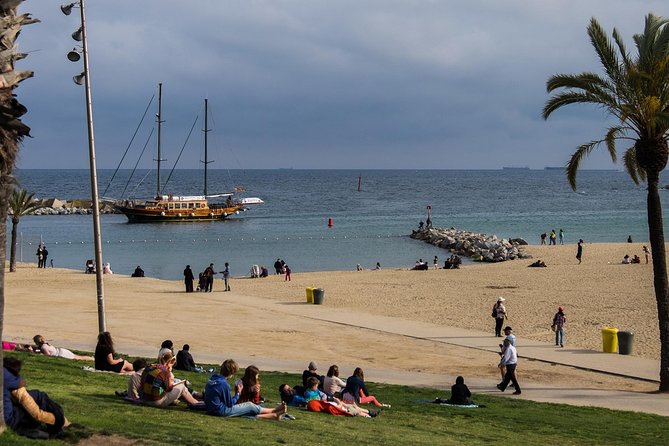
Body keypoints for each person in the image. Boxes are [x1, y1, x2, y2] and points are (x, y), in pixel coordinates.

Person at [3, 356, 69, 439]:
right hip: (10, 419)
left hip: (8, 416)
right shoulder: (3, 374)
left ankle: (59, 419)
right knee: (38, 396)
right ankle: (61, 421)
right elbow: (21, 382)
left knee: (35, 396)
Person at [204, 359, 287, 419]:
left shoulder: (212, 378)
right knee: (249, 405)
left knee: (248, 406)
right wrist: (238, 393)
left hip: (210, 409)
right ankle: (274, 410)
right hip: (220, 411)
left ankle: (273, 414)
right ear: (231, 373)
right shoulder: (224, 384)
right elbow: (229, 404)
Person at [304, 377, 376, 417]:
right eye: (316, 385)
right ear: (313, 386)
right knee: (347, 407)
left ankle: (368, 412)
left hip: (328, 401)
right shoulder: (310, 394)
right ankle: (367, 414)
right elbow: (313, 402)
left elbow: (322, 395)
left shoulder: (316, 390)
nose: (317, 387)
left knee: (349, 405)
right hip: (327, 404)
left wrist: (331, 398)